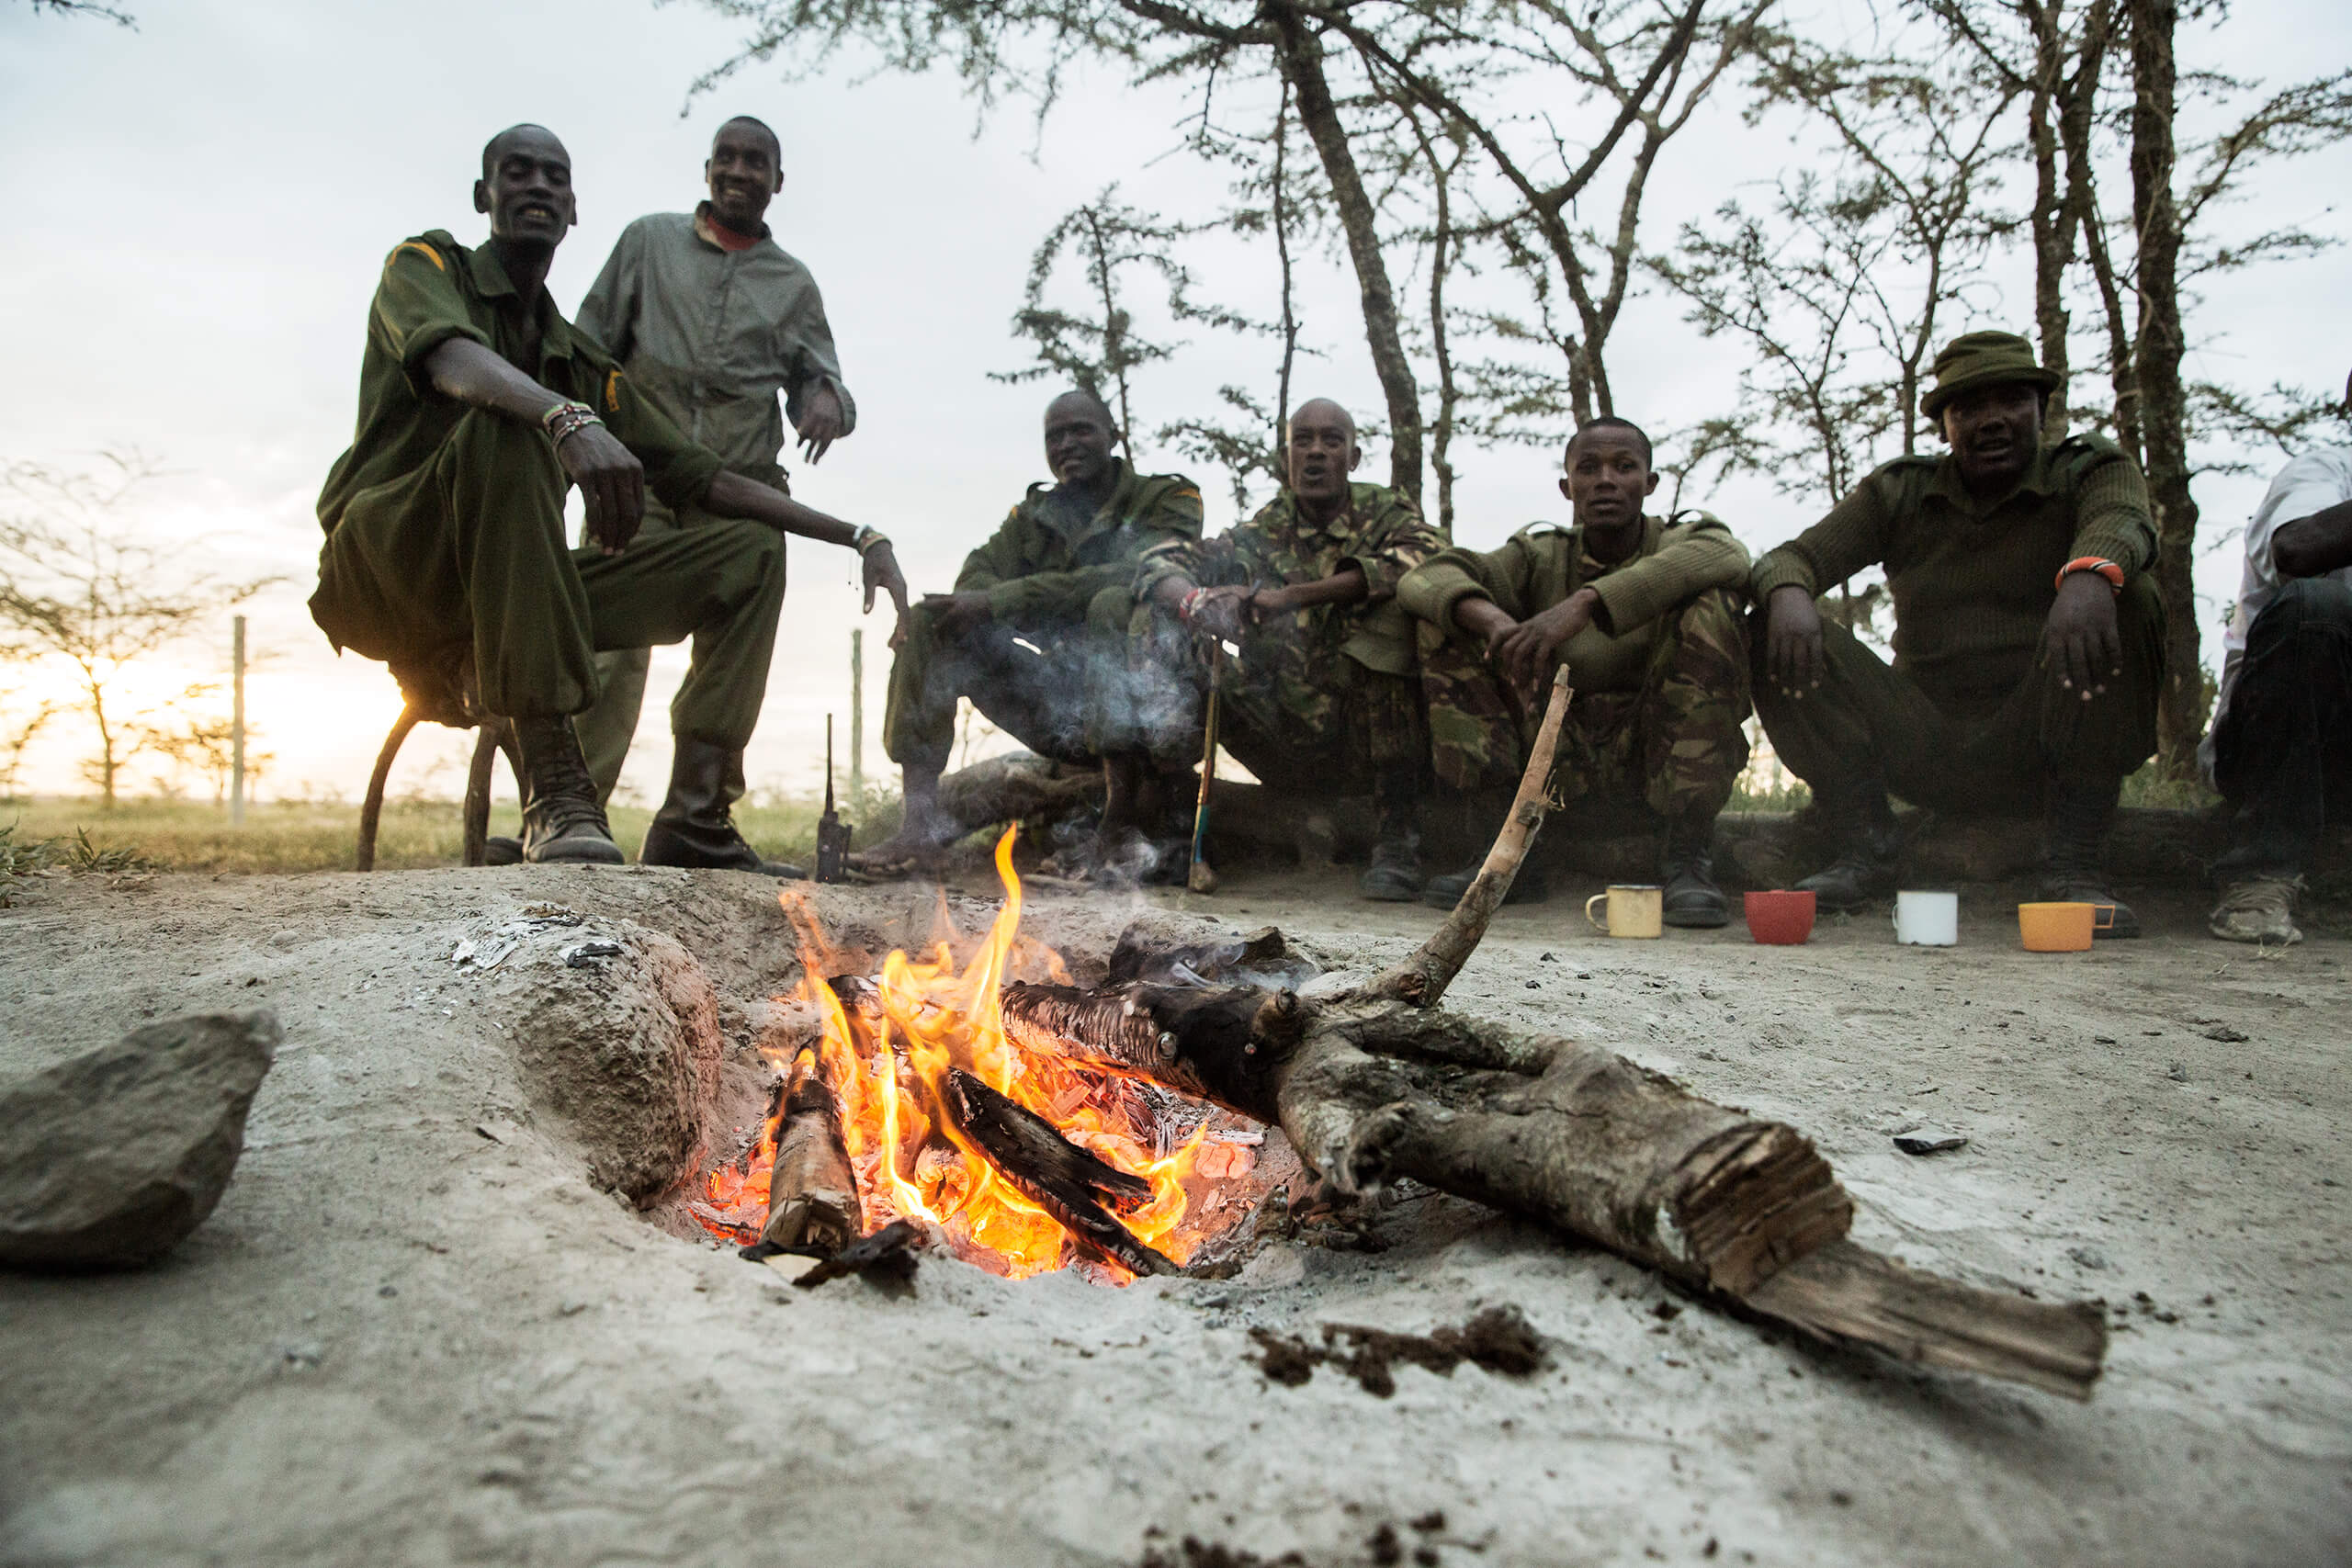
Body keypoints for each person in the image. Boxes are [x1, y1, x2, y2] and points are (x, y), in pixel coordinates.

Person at [310, 125, 907, 871]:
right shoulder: (425, 264)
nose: (537, 187)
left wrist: (862, 535)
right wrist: (564, 416)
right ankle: (558, 793)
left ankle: (696, 813)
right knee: (510, 430)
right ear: (482, 195)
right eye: (517, 172)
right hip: (397, 567)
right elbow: (448, 358)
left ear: (573, 208)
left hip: (512, 593)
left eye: (554, 177)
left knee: (750, 550)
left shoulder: (583, 356)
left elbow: (704, 476)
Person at [1750, 329, 2163, 933]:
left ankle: (2076, 861)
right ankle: (1866, 842)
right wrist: (1787, 591)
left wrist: (2088, 575)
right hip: (1924, 740)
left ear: (2041, 410)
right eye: (1968, 408)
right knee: (1767, 623)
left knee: (2133, 594)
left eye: (2012, 402)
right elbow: (1793, 556)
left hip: (2046, 733)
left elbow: (2124, 520)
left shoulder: (2089, 469)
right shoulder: (1902, 490)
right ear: (1944, 424)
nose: (1991, 421)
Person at [566, 115, 857, 817]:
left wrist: (824, 400)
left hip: (742, 489)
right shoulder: (647, 243)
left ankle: (698, 818)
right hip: (639, 481)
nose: (739, 172)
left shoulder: (793, 283)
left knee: (733, 653)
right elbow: (583, 349)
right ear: (706, 170)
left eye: (755, 162)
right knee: (607, 648)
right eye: (726, 158)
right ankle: (566, 812)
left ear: (777, 182)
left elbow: (824, 382)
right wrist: (581, 444)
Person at [1399, 418, 1752, 925]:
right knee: (1449, 618)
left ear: (1650, 484)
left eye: (1624, 467)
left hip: (1655, 760)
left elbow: (1730, 556)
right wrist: (1497, 622)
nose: (1606, 480)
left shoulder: (1681, 541)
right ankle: (1505, 847)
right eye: (1589, 469)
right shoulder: (1541, 554)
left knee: (1715, 605)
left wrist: (1587, 602)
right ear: (1568, 488)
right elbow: (1424, 578)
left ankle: (1688, 854)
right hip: (1555, 755)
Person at [847, 390, 1204, 871]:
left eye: (1081, 430)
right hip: (1063, 707)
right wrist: (992, 603)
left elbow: (1135, 575)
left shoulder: (1168, 498)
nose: (1067, 444)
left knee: (1111, 603)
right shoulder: (1035, 516)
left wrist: (1005, 601)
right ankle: (919, 829)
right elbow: (976, 578)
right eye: (1054, 436)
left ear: (1114, 436)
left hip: (1151, 715)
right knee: (934, 622)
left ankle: (1119, 827)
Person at [1121, 397, 1447, 900]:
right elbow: (1160, 559)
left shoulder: (1385, 512)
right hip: (1279, 731)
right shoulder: (1260, 532)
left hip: (1369, 741)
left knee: (1394, 617)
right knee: (1156, 620)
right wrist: (1196, 600)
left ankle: (1396, 837)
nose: (1315, 453)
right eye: (1303, 441)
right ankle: (1173, 816)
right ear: (1287, 456)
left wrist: (1287, 598)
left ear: (1353, 458)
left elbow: (1425, 559)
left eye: (1331, 441)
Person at [2201, 369, 2352, 945]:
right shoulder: (2323, 472)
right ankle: (2260, 873)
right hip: (2284, 751)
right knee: (2315, 606)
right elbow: (2297, 549)